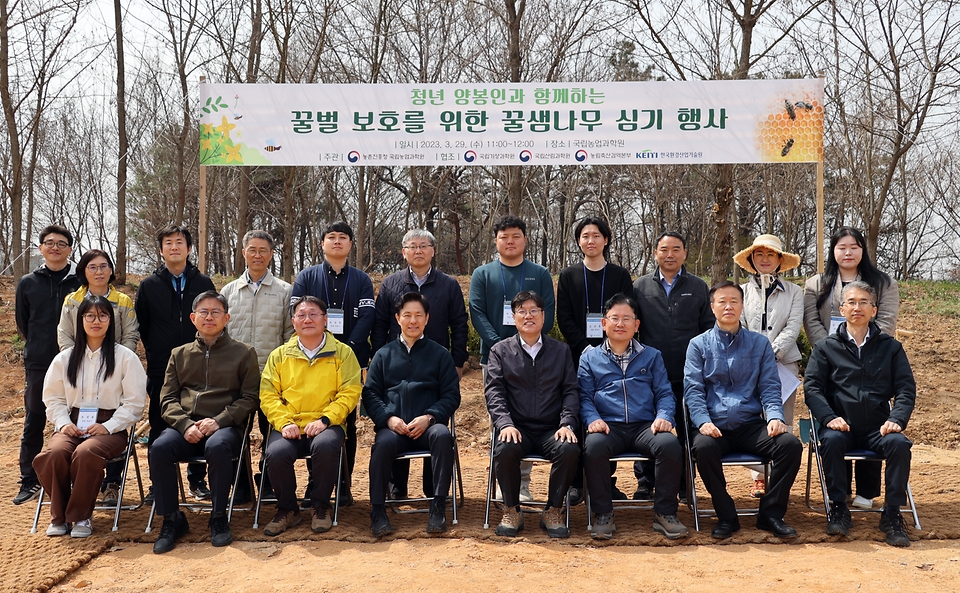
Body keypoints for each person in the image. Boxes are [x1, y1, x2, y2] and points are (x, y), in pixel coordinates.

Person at [685, 281, 802, 540]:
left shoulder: (759, 344)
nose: (728, 306)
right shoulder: (698, 345)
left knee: (790, 445)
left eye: (734, 301)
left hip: (750, 425)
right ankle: (726, 516)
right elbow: (693, 390)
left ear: (742, 306)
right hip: (713, 426)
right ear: (712, 307)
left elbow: (770, 387)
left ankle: (770, 514)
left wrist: (774, 417)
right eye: (722, 301)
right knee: (702, 448)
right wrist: (702, 421)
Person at [804, 281, 916, 547]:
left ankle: (892, 514)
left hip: (879, 428)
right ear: (842, 309)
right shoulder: (825, 348)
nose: (857, 308)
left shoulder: (891, 348)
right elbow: (812, 388)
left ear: (874, 310)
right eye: (851, 302)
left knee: (900, 445)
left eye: (863, 302)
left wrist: (896, 419)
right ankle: (839, 508)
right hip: (840, 426)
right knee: (829, 441)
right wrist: (829, 417)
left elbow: (906, 389)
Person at [149, 291, 260, 554]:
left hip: (225, 428)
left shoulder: (244, 353)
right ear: (193, 318)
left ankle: (219, 517)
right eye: (203, 312)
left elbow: (250, 398)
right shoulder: (179, 354)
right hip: (186, 428)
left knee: (218, 447)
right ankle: (172, 519)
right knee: (160, 447)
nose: (209, 317)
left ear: (227, 317)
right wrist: (185, 425)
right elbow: (167, 399)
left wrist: (220, 421)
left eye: (215, 312)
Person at [33, 296, 146, 537]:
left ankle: (81, 516)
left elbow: (135, 402)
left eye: (103, 315)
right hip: (71, 425)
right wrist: (63, 424)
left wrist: (109, 426)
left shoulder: (125, 358)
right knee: (53, 454)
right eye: (90, 316)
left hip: (110, 429)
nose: (97, 321)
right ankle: (60, 516)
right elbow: (53, 398)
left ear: (110, 321)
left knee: (86, 452)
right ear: (80, 320)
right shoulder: (64, 359)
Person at [578, 294, 688, 540]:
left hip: (644, 426)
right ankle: (603, 514)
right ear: (603, 324)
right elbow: (583, 397)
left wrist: (664, 416)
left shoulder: (652, 356)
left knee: (670, 445)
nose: (620, 324)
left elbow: (664, 393)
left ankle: (665, 513)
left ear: (636, 325)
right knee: (593, 446)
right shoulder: (589, 357)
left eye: (627, 318)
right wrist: (592, 419)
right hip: (608, 427)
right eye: (614, 318)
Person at [803, 226, 898, 509]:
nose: (848, 252)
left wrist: (861, 346)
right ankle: (839, 492)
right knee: (836, 418)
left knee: (871, 408)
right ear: (833, 251)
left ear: (862, 250)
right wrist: (836, 350)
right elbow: (811, 322)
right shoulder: (816, 284)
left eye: (854, 247)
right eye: (841, 247)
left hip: (872, 356)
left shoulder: (883, 282)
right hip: (830, 360)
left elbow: (888, 320)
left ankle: (867, 493)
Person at [370, 229, 468, 500]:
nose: (418, 251)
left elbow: (459, 324)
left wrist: (457, 361)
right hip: (396, 362)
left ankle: (431, 489)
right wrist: (380, 359)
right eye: (412, 246)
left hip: (437, 365)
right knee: (399, 415)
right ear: (404, 252)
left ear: (433, 251)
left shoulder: (448, 284)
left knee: (432, 422)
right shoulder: (391, 283)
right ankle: (396, 486)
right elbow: (379, 324)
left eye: (423, 246)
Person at [259, 296, 361, 536]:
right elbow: (268, 395)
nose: (307, 319)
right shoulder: (279, 355)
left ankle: (320, 505)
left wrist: (326, 419)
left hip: (326, 423)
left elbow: (350, 392)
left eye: (314, 314)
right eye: (301, 315)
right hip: (289, 424)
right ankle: (288, 509)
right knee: (275, 453)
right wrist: (284, 422)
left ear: (325, 320)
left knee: (326, 447)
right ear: (293, 322)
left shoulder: (343, 353)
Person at [470, 215, 555, 502]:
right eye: (504, 236)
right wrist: (500, 347)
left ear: (525, 240)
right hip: (494, 357)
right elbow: (477, 312)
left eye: (516, 236)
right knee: (502, 418)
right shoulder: (483, 273)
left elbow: (548, 312)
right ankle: (503, 479)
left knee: (530, 418)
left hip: (535, 357)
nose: (510, 241)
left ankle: (523, 484)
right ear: (496, 241)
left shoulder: (540, 273)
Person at [363, 292, 461, 536]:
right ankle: (378, 510)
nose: (413, 320)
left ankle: (438, 506)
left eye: (419, 315)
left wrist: (429, 417)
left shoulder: (440, 354)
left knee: (442, 436)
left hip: (428, 425)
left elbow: (451, 395)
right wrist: (389, 418)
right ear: (397, 318)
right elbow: (370, 394)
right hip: (394, 427)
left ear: (427, 319)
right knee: (382, 444)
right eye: (407, 315)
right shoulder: (383, 355)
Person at [292, 221, 374, 506]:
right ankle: (316, 485)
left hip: (349, 360)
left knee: (345, 424)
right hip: (311, 362)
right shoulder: (306, 276)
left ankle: (343, 484)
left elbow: (367, 318)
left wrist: (346, 350)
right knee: (312, 421)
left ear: (350, 244)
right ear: (323, 243)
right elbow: (299, 317)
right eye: (331, 237)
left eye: (343, 237)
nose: (337, 241)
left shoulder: (361, 279)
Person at [485, 290, 579, 538]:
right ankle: (512, 509)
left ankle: (553, 510)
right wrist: (504, 424)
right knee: (504, 448)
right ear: (514, 317)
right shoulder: (500, 351)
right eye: (522, 311)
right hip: (517, 427)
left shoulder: (561, 351)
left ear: (544, 316)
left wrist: (567, 423)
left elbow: (571, 391)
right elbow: (494, 393)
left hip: (551, 428)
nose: (528, 316)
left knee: (569, 448)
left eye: (534, 310)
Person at [135, 224, 216, 502]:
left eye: (179, 242)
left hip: (199, 365)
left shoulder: (203, 283)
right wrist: (158, 352)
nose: (174, 247)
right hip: (161, 367)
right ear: (161, 250)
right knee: (159, 425)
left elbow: (212, 319)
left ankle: (197, 481)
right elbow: (143, 326)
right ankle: (159, 484)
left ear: (189, 248)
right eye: (168, 243)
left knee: (198, 419)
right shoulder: (148, 285)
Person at [632, 231, 714, 500]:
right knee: (648, 426)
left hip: (687, 373)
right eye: (664, 249)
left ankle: (684, 482)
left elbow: (707, 330)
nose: (670, 254)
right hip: (648, 374)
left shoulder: (699, 287)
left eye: (676, 249)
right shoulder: (640, 287)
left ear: (685, 254)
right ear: (655, 253)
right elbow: (633, 330)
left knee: (685, 429)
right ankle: (645, 480)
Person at [57, 249, 140, 506]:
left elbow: (130, 333)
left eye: (104, 266)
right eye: (92, 267)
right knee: (74, 439)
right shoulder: (72, 299)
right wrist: (76, 360)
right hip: (80, 368)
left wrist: (117, 359)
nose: (99, 272)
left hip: (113, 371)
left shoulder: (123, 301)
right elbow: (64, 333)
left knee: (112, 424)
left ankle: (111, 483)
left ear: (111, 270)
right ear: (83, 270)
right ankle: (74, 485)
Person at [221, 230, 294, 501]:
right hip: (235, 379)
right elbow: (221, 334)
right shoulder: (229, 291)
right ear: (243, 253)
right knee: (235, 433)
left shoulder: (285, 291)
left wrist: (284, 373)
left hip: (271, 378)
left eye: (263, 250)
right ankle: (240, 486)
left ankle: (268, 481)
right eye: (252, 250)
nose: (257, 255)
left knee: (271, 433)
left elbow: (289, 335)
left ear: (271, 254)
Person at [14, 224, 82, 505]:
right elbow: (23, 323)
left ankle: (76, 478)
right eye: (49, 243)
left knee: (78, 418)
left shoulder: (80, 281)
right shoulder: (28, 282)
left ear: (70, 249)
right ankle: (29, 481)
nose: (55, 247)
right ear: (40, 248)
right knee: (34, 419)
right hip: (40, 361)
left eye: (62, 243)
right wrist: (39, 347)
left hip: (77, 360)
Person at [733, 234, 803, 498]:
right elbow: (739, 326)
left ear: (780, 260)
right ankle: (759, 477)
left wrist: (772, 353)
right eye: (759, 255)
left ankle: (779, 476)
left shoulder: (795, 292)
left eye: (770, 255)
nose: (765, 260)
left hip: (783, 364)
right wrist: (756, 357)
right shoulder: (740, 292)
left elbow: (793, 326)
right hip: (747, 365)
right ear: (751, 259)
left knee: (782, 419)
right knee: (754, 420)